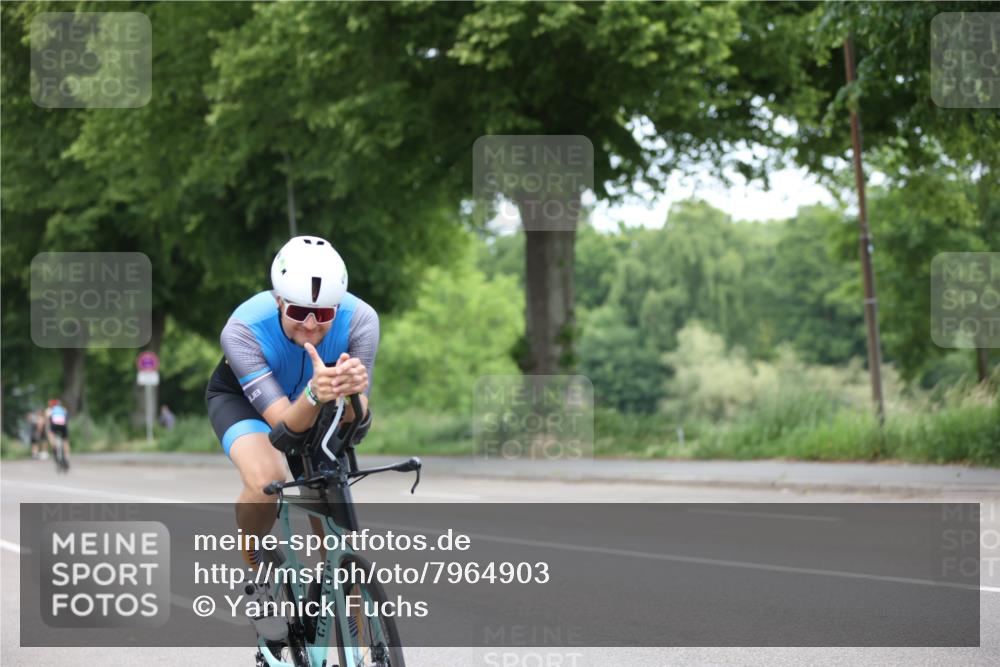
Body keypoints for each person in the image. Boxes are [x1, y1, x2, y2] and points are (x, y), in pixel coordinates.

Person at [205, 235, 379, 570]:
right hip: (245, 403)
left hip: (320, 399)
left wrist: (357, 398)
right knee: (267, 481)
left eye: (324, 313)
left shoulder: (361, 321)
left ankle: (347, 605)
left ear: (338, 307)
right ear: (280, 301)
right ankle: (256, 565)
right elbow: (286, 429)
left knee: (337, 521)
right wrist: (314, 393)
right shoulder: (242, 330)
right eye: (299, 311)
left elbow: (354, 423)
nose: (311, 324)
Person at [45, 399, 70, 465]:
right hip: (63, 425)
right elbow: (67, 418)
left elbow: (48, 421)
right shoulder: (63, 409)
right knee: (65, 441)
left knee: (51, 435)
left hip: (54, 425)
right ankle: (67, 457)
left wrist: (48, 431)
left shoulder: (49, 410)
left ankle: (54, 450)